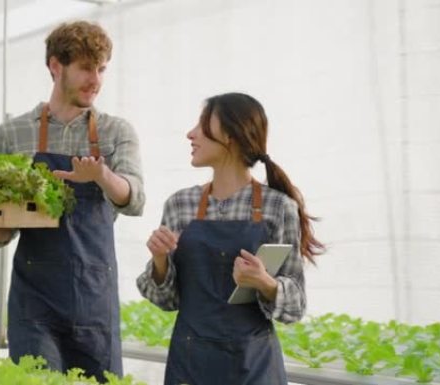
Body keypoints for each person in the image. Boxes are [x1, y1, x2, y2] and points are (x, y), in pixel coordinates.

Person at [0, 21, 144, 382]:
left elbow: (134, 198)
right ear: (56, 66)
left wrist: (101, 176)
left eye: (101, 69)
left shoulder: (116, 132)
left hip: (93, 298)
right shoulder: (12, 133)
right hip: (34, 297)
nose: (96, 79)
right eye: (86, 67)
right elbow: (4, 227)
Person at [137, 92, 324, 385]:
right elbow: (166, 300)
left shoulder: (278, 208)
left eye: (201, 125)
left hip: (253, 367)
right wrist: (160, 261)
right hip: (190, 365)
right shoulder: (180, 204)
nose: (190, 134)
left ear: (231, 136)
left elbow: (295, 307)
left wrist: (265, 283)